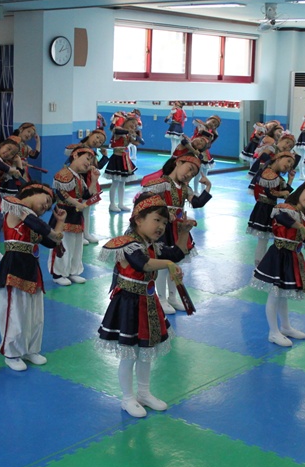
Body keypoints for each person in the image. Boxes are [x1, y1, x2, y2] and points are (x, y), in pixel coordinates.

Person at [96, 193, 190, 418]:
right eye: (156, 220)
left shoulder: (152, 245)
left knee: (146, 352)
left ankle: (144, 393)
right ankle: (127, 398)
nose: (161, 227)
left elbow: (176, 253)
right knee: (129, 355)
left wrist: (184, 232)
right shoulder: (128, 243)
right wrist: (168, 264)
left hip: (148, 302)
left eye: (164, 222)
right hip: (128, 304)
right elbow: (143, 264)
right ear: (138, 220)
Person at [0, 183, 66, 371]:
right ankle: (11, 353)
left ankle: (30, 349)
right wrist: (53, 231)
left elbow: (51, 241)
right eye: (46, 200)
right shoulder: (15, 207)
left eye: (49, 207)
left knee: (34, 314)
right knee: (15, 312)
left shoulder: (33, 220)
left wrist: (59, 222)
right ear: (32, 191)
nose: (46, 206)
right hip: (14, 267)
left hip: (32, 268)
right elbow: (43, 229)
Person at [251, 177, 305, 347]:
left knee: (283, 295)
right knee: (274, 295)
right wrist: (300, 227)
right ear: (301, 190)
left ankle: (285, 327)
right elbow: (282, 218)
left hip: (292, 257)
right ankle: (273, 332)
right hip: (278, 255)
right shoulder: (285, 208)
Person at [140, 155, 210, 314]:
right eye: (189, 169)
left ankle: (172, 297)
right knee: (163, 265)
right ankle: (161, 299)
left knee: (176, 264)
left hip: (178, 230)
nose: (189, 175)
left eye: (193, 174)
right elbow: (145, 201)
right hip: (162, 230)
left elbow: (197, 203)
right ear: (178, 162)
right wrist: (164, 213)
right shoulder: (161, 183)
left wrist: (208, 187)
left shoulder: (185, 188)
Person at [50, 147, 97, 286]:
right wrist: (77, 203)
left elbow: (86, 195)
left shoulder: (80, 178)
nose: (89, 163)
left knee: (76, 245)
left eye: (91, 161)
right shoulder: (63, 173)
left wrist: (94, 180)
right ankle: (58, 273)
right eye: (87, 159)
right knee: (63, 244)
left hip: (76, 215)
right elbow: (61, 193)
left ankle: (73, 271)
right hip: (63, 214)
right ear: (75, 155)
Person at [247, 151, 297, 265]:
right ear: (278, 158)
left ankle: (262, 264)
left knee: (266, 240)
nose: (289, 165)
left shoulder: (276, 176)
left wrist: (290, 179)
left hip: (270, 209)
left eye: (291, 164)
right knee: (263, 240)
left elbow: (285, 193)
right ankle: (259, 265)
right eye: (288, 161)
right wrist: (283, 193)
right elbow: (271, 193)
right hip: (264, 209)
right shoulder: (268, 173)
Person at [104, 115, 141, 212]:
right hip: (116, 158)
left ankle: (121, 203)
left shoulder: (128, 134)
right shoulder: (119, 129)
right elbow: (116, 131)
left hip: (125, 159)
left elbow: (137, 143)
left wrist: (137, 136)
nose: (133, 126)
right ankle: (112, 204)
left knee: (122, 183)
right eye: (132, 123)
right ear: (126, 121)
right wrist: (130, 132)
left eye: (135, 125)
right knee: (115, 183)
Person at [0, 123, 40, 197]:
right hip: (11, 171)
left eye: (31, 135)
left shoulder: (25, 146)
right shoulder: (11, 141)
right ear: (21, 129)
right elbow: (5, 155)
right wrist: (18, 161)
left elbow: (34, 155)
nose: (29, 135)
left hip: (22, 172)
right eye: (28, 131)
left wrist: (38, 142)